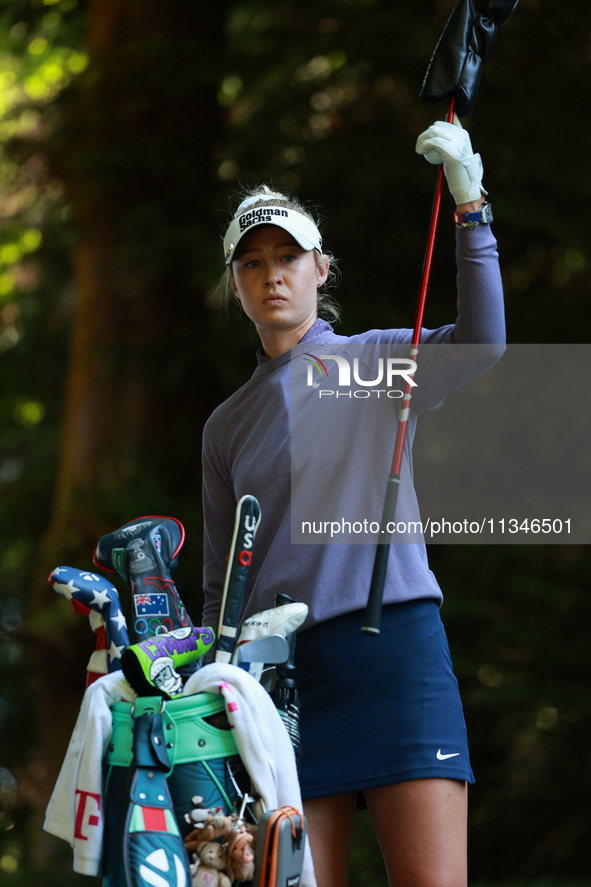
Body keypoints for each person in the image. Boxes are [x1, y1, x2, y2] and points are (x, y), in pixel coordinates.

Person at [201, 117, 505, 887]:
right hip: (284, 683)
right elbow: (220, 590)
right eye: (253, 263)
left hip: (395, 652)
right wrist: (216, 689)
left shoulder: (369, 360)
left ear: (320, 270)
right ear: (234, 284)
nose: (272, 274)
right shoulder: (224, 426)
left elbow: (483, 342)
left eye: (288, 258)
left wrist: (470, 209)